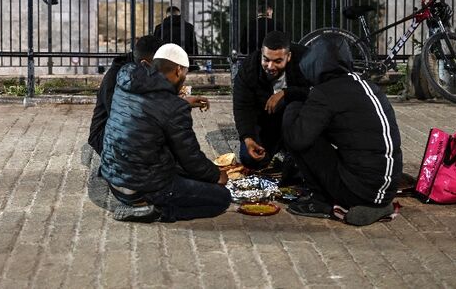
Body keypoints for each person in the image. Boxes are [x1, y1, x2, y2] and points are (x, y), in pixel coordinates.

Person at [100, 43, 230, 223]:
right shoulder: (174, 108)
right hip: (142, 189)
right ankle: (157, 210)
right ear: (178, 71)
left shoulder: (126, 77)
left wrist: (182, 102)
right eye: (185, 74)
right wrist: (217, 175)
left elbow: (153, 105)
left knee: (180, 166)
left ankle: (143, 203)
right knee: (221, 198)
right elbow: (191, 159)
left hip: (114, 181)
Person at [282, 34, 403, 226]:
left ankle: (320, 201)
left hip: (359, 190)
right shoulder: (365, 84)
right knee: (313, 129)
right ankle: (377, 204)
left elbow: (298, 139)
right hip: (387, 186)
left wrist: (291, 108)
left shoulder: (325, 93)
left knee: (298, 126)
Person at [232, 30, 309, 170]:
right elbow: (242, 107)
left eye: (278, 61)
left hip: (297, 122)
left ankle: (292, 149)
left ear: (289, 56)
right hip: (267, 122)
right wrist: (248, 138)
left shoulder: (305, 60)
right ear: (261, 52)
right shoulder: (248, 69)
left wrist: (286, 93)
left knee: (301, 165)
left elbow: (316, 93)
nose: (270, 67)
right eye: (266, 59)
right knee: (250, 159)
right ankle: (277, 147)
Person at [88, 35, 163, 154]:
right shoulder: (116, 78)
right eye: (160, 63)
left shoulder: (140, 69)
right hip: (105, 135)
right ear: (145, 63)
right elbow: (124, 117)